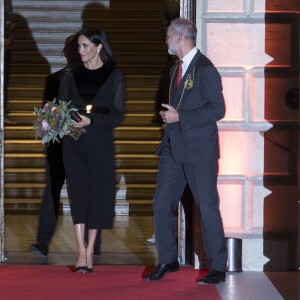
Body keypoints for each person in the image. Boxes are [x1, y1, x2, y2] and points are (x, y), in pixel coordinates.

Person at [144, 18, 228, 285]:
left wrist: (181, 116)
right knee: (161, 203)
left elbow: (218, 109)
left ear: (179, 37)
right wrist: (171, 117)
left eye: (168, 35)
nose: (165, 40)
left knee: (207, 207)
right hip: (173, 148)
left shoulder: (205, 69)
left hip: (200, 150)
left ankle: (217, 266)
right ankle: (167, 260)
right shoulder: (174, 70)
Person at [58, 27, 125, 273]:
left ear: (99, 47)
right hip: (73, 143)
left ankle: (90, 250)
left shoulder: (114, 75)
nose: (81, 51)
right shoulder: (69, 76)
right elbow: (61, 109)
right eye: (79, 46)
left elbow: (118, 115)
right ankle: (79, 251)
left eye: (85, 46)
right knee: (77, 193)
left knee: (97, 194)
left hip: (100, 142)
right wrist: (61, 124)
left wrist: (93, 120)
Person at [29, 35, 101, 257]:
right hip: (84, 146)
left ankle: (42, 243)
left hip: (58, 146)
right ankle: (93, 245)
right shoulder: (94, 79)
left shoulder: (54, 79)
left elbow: (46, 115)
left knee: (52, 192)